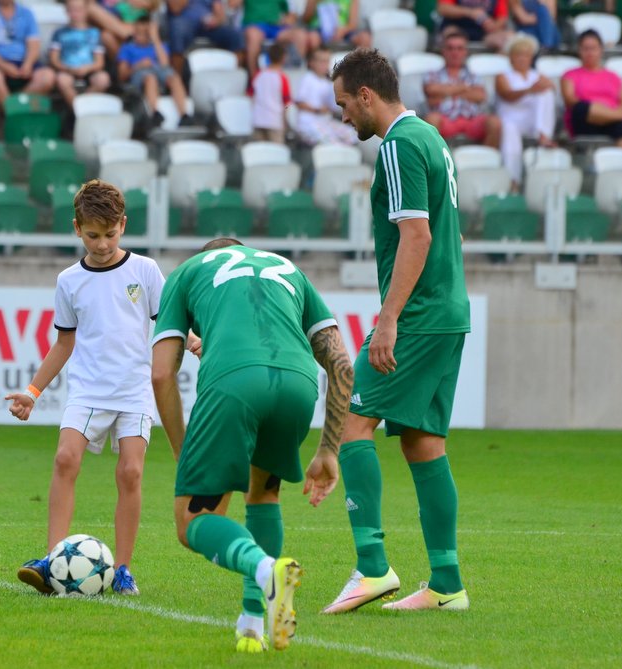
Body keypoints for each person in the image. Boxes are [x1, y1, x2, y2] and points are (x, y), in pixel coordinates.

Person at [151, 238, 353, 652]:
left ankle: (265, 570)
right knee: (262, 495)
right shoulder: (287, 269)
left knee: (192, 522)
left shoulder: (189, 272)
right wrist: (329, 449)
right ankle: (252, 624)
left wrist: (181, 448)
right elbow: (341, 365)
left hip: (234, 384)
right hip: (297, 385)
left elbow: (160, 374)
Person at [326, 47, 471, 614]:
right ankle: (446, 584)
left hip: (416, 317)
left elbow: (418, 237)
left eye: (344, 104)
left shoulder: (398, 145)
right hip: (447, 313)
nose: (343, 117)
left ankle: (371, 567)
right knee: (422, 442)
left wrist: (387, 321)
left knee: (351, 426)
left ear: (367, 95)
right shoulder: (431, 137)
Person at [7, 179, 166, 598]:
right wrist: (33, 391)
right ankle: (51, 560)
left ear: (123, 226)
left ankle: (124, 569)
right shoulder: (69, 281)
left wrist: (193, 339)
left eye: (110, 234)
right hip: (88, 391)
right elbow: (64, 343)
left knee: (131, 472)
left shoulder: (145, 271)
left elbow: (167, 325)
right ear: (77, 228)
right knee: (64, 459)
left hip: (133, 391)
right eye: (93, 235)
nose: (101, 243)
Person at [495, 33, 556, 188]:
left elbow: (551, 90)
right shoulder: (503, 76)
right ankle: (513, 179)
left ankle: (543, 134)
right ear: (511, 57)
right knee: (509, 132)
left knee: (546, 92)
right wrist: (530, 90)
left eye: (526, 55)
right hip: (511, 118)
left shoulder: (538, 76)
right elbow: (506, 94)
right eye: (518, 55)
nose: (522, 58)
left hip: (532, 121)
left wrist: (540, 88)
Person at [423, 28, 502, 148]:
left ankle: (487, 160)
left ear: (465, 52)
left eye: (459, 48)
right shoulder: (433, 74)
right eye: (450, 48)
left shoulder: (474, 75)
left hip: (472, 120)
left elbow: (480, 96)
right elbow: (431, 90)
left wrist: (445, 91)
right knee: (431, 120)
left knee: (494, 123)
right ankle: (436, 163)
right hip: (445, 120)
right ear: (443, 51)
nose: (455, 52)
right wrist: (464, 88)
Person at [117, 13, 194, 130]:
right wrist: (138, 65)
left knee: (174, 78)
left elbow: (165, 64)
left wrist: (155, 38)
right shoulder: (127, 47)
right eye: (137, 32)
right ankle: (155, 114)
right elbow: (122, 75)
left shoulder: (160, 45)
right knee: (150, 78)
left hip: (160, 71)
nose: (140, 36)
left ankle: (184, 115)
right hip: (140, 73)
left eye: (144, 33)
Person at [0, 0, 56, 111]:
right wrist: (4, 66)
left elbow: (34, 44)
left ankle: (15, 108)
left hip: (24, 61)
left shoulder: (26, 13)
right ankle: (15, 113)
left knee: (47, 77)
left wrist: (28, 64)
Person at [561, 30, 622, 148]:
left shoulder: (613, 77)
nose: (590, 53)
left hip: (611, 122)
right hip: (585, 121)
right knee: (581, 108)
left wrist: (604, 113)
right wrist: (596, 108)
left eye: (593, 48)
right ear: (579, 50)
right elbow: (570, 100)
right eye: (586, 49)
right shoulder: (570, 75)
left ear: (601, 50)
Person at [50, 0, 111, 106]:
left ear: (86, 10)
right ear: (66, 11)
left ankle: (84, 106)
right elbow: (54, 59)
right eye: (71, 10)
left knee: (103, 79)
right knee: (62, 80)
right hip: (67, 70)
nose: (75, 14)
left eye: (79, 10)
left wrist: (87, 68)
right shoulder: (59, 33)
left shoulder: (94, 33)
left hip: (89, 71)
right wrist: (67, 68)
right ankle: (78, 110)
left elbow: (99, 62)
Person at [293, 47, 357, 145]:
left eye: (327, 61)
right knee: (333, 142)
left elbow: (333, 106)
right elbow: (299, 103)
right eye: (321, 61)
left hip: (325, 121)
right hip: (309, 123)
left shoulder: (328, 82)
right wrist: (318, 110)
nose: (325, 65)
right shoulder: (308, 79)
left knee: (352, 135)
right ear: (312, 63)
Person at [166, 0, 243, 74]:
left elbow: (221, 15)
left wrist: (216, 20)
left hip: (207, 26)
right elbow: (175, 9)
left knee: (236, 35)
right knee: (177, 29)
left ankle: (232, 78)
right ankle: (176, 80)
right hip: (183, 23)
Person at [242, 0, 309, 78]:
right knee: (254, 36)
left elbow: (291, 14)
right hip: (254, 26)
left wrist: (287, 20)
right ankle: (254, 79)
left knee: (300, 35)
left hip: (275, 27)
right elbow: (233, 4)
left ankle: (294, 77)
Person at [250, 42, 289, 143]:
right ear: (284, 58)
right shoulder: (282, 78)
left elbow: (250, 94)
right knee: (276, 153)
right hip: (274, 121)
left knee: (259, 152)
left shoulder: (259, 74)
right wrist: (285, 120)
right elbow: (286, 102)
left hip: (258, 120)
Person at [436, 0, 512, 51]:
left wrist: (494, 26)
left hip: (484, 32)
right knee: (452, 38)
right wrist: (470, 12)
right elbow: (443, 8)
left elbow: (502, 17)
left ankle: (500, 71)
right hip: (457, 28)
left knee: (509, 38)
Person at [302, 0, 371, 51]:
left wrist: (343, 31)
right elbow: (306, 19)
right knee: (313, 38)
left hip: (343, 31)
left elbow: (353, 24)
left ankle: (363, 67)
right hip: (318, 29)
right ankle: (318, 66)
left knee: (365, 38)